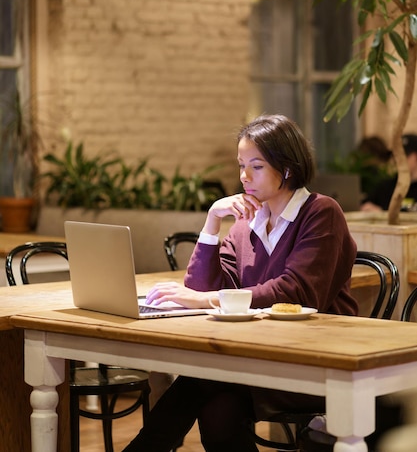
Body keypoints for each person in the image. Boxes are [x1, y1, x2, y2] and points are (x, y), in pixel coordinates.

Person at [123, 114, 358, 452]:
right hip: (256, 359)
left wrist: (204, 302)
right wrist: (212, 221)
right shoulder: (246, 223)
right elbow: (202, 287)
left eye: (256, 166)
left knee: (203, 378)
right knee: (219, 413)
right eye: (241, 165)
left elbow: (297, 292)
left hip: (315, 363)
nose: (244, 176)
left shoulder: (321, 212)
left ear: (288, 169)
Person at [361, 134, 417, 211]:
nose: (398, 160)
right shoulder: (385, 187)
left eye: (404, 155)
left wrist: (382, 213)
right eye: (395, 156)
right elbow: (364, 205)